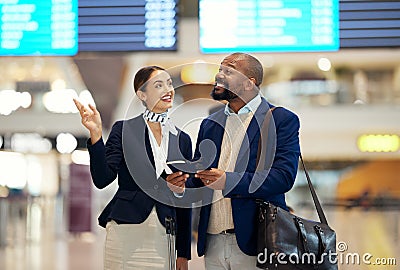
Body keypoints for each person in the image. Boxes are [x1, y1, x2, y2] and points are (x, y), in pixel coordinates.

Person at [169, 53, 300, 269]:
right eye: (220, 69)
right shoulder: (210, 124)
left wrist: (229, 181)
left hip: (256, 242)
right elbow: (201, 178)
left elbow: (283, 177)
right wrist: (183, 184)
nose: (219, 75)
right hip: (212, 242)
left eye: (228, 71)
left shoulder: (280, 120)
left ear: (250, 83)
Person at [73, 66, 192, 270]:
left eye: (169, 84)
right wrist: (96, 135)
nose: (168, 89)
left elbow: (186, 199)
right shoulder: (124, 129)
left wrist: (184, 252)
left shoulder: (182, 139)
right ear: (142, 94)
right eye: (159, 85)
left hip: (165, 233)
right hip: (126, 228)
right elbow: (102, 179)